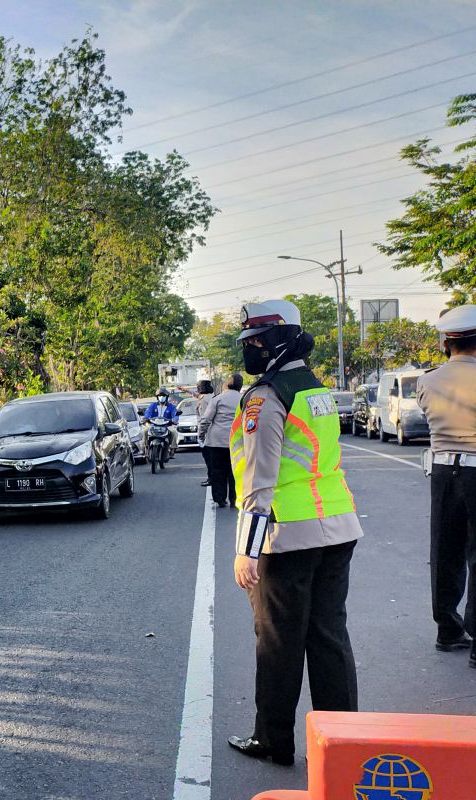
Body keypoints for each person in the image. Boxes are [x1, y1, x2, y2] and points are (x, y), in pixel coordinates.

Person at [226, 298, 363, 767]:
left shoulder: (266, 397)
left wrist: (247, 550)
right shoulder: (317, 390)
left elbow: (259, 480)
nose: (250, 349)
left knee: (279, 642)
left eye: (257, 341)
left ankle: (273, 741)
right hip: (337, 527)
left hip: (286, 536)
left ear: (278, 340)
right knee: (329, 636)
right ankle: (343, 742)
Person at [416, 304, 476, 663]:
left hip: (441, 471)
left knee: (445, 551)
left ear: (446, 344)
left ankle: (448, 629)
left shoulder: (427, 380)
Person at [199, 373, 243, 508]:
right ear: (240, 386)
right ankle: (235, 498)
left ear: (226, 384)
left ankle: (220, 499)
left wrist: (201, 434)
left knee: (217, 471)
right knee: (234, 471)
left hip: (216, 441)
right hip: (236, 441)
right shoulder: (244, 399)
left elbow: (206, 419)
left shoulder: (218, 399)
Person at [144, 387, 180, 461]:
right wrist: (145, 418)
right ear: (157, 397)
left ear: (166, 397)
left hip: (167, 426)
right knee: (145, 431)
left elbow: (175, 415)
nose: (162, 398)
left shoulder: (171, 407)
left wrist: (174, 420)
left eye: (163, 396)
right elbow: (147, 413)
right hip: (153, 426)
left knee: (174, 432)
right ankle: (146, 448)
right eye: (160, 396)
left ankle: (172, 450)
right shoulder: (152, 405)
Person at [196, 380, 215, 486]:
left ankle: (211, 478)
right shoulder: (213, 397)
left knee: (208, 459)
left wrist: (201, 435)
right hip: (214, 432)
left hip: (206, 434)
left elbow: (204, 419)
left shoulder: (203, 401)